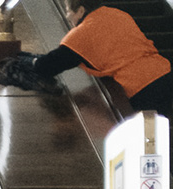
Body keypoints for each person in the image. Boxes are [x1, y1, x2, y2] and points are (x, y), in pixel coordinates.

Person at [18, 2, 173, 113]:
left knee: (150, 139)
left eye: (68, 10)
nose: (67, 16)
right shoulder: (117, 14)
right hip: (165, 72)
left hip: (141, 87)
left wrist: (29, 60)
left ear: (80, 10)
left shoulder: (82, 33)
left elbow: (49, 65)